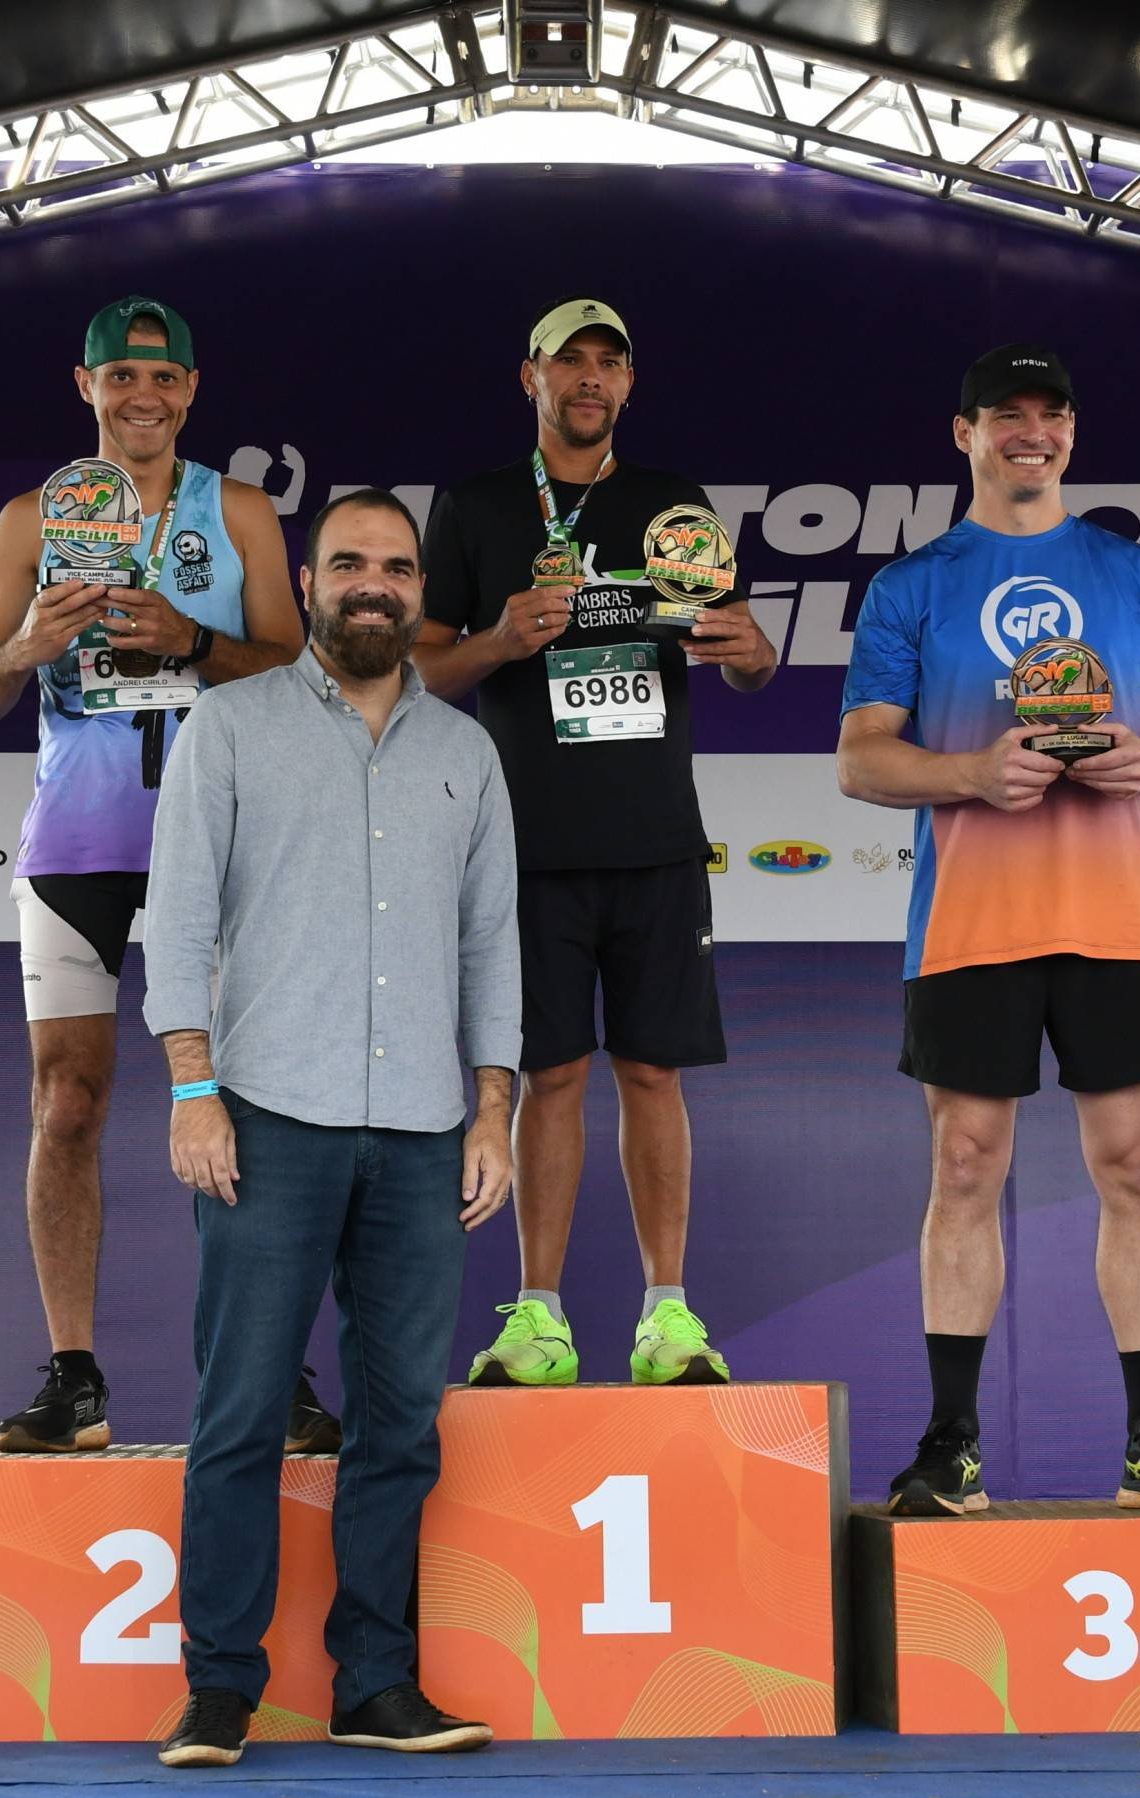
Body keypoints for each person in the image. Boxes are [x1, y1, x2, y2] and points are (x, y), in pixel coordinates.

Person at [145, 489, 516, 1768]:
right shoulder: (229, 726)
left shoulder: (467, 753)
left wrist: (494, 1110)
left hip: (422, 1129)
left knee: (400, 1425)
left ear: (421, 591)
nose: (375, 584)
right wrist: (193, 1088)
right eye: (349, 563)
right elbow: (179, 920)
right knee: (242, 1412)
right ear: (306, 583)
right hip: (262, 1120)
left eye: (398, 567)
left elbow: (490, 945)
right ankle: (219, 1690)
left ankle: (374, 1683)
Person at [836, 344, 1140, 1520]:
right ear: (961, 433)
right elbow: (862, 759)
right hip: (970, 921)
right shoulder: (912, 585)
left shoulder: (1133, 575)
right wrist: (969, 773)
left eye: (1051, 415)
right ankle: (951, 1445)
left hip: (1118, 918)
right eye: (1006, 415)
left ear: (1072, 433)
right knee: (964, 1168)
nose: (1032, 433)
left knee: (1137, 1167)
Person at [0, 296, 315, 1456]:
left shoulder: (240, 511)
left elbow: (300, 678)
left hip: (220, 844)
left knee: (247, 1107)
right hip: (77, 846)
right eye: (120, 377)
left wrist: (193, 642)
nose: (142, 395)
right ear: (86, 385)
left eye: (162, 377)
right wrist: (30, 647)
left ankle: (276, 1373)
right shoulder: (30, 520)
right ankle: (73, 1379)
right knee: (68, 1105)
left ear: (192, 389)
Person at [418, 296, 776, 1391]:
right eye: (567, 361)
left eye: (607, 363)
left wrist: (752, 650)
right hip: (526, 843)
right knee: (550, 1077)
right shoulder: (478, 508)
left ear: (629, 384)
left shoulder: (674, 505)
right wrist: (499, 638)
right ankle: (540, 1319)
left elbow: (745, 655)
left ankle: (668, 1317)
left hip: (659, 839)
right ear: (528, 377)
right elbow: (422, 671)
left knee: (655, 1075)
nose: (588, 379)